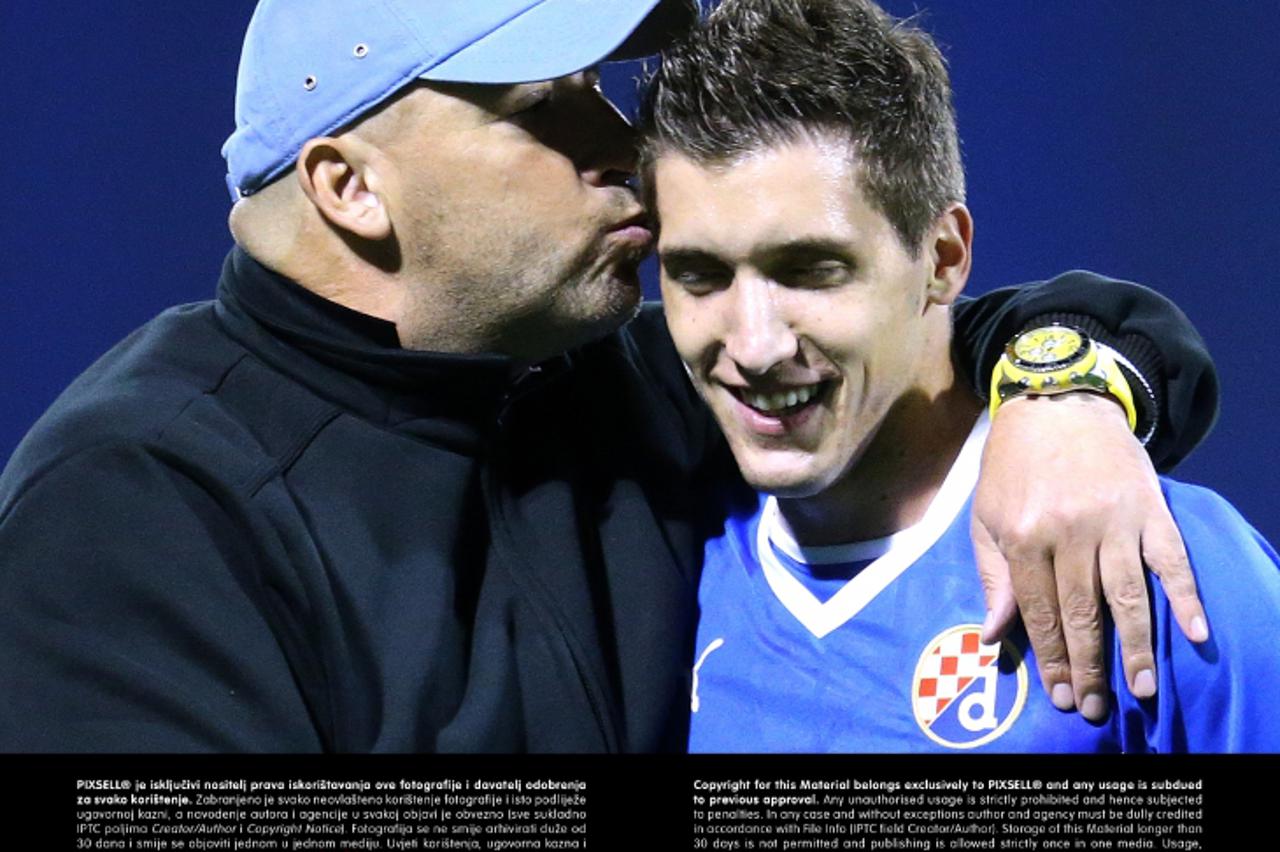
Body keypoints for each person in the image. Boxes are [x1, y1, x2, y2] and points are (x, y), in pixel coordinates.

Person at [0, 0, 1215, 752]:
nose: (625, 148)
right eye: (554, 106)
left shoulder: (613, 375)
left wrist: (1065, 392)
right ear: (348, 187)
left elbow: (927, 324)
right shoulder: (134, 495)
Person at [642, 0, 1279, 752]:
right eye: (699, 276)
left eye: (811, 271)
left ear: (942, 259)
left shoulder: (1154, 565)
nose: (752, 345)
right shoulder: (659, 575)